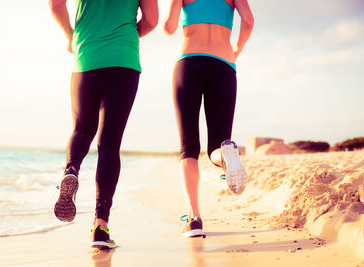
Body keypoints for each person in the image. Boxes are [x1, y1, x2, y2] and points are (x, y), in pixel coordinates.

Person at [49, 0, 158, 249]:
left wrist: (72, 35)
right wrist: (128, 32)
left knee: (81, 128)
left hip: (87, 55)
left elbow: (55, 4)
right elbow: (151, 19)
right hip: (124, 59)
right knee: (109, 143)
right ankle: (101, 225)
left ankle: (71, 170)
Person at [164, 0, 254, 237]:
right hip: (224, 64)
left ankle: (194, 219)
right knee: (217, 145)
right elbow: (249, 21)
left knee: (188, 148)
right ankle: (225, 154)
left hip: (188, 63)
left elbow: (169, 27)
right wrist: (238, 48)